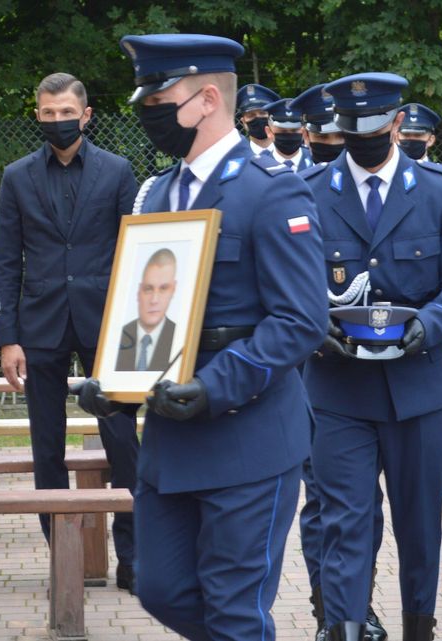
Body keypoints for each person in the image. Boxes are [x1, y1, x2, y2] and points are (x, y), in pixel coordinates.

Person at [73, 33, 327, 640]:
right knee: (161, 589)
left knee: (234, 611)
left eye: (160, 97)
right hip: (170, 440)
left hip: (248, 437)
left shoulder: (272, 191)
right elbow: (147, 308)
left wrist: (214, 387)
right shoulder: (157, 193)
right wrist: (117, 383)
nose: (147, 110)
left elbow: (301, 320)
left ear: (208, 99)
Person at [302, 72, 442, 641]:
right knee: (345, 526)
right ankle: (347, 630)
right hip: (338, 391)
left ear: (398, 123)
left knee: (419, 528)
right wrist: (313, 330)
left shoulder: (441, 192)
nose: (365, 138)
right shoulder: (307, 192)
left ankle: (418, 629)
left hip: (419, 390)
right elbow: (289, 288)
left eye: (376, 126)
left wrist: (429, 325)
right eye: (352, 129)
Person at [0, 72, 141, 593]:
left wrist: (137, 327)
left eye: (66, 112)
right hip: (41, 327)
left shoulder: (118, 171)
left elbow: (134, 251)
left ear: (86, 114)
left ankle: (133, 559)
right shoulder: (16, 177)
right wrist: (8, 338)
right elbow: (7, 262)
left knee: (123, 439)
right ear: (38, 115)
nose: (57, 121)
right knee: (46, 446)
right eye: (47, 113)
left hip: (107, 324)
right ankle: (65, 561)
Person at [291, 83, 387, 641]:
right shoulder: (294, 191)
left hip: (374, 370)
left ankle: (357, 603)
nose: (334, 143)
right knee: (322, 502)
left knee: (360, 504)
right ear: (308, 135)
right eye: (324, 136)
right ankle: (330, 606)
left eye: (339, 134)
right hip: (314, 373)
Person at [116, 248, 178, 372]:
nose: (154, 300)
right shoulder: (117, 336)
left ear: (173, 290)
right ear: (139, 291)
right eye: (148, 289)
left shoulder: (179, 337)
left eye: (163, 289)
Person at [291, 84, 345, 165]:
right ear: (306, 136)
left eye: (341, 135)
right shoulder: (297, 176)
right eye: (322, 136)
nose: (332, 143)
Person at [264, 97, 314, 172]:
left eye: (294, 130)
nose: (289, 135)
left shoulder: (315, 162)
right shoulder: (261, 165)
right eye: (282, 131)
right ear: (269, 132)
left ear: (303, 131)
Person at [236, 83, 280, 157]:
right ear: (243, 122)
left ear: (272, 117)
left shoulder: (293, 155)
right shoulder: (237, 158)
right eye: (251, 115)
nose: (257, 118)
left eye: (262, 113)